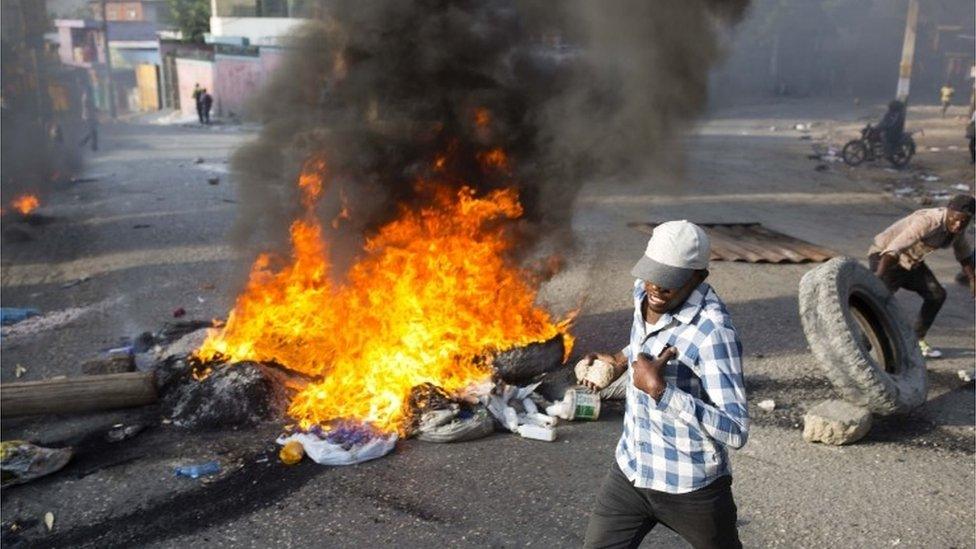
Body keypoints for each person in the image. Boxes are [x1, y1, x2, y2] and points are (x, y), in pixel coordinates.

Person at [582, 220, 749, 549]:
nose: (656, 288)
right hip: (632, 469)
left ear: (698, 277)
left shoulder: (712, 334)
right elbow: (643, 345)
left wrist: (662, 392)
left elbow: (736, 429)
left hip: (690, 487)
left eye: (669, 281)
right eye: (651, 273)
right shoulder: (645, 293)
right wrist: (618, 360)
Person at [869, 194, 975, 358]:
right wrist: (878, 276)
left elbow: (964, 253)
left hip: (911, 262)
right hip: (886, 258)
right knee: (880, 301)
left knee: (937, 295)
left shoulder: (958, 229)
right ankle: (863, 343)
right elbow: (895, 248)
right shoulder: (928, 221)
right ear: (948, 211)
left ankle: (916, 339)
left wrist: (972, 278)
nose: (958, 224)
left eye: (964, 221)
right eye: (955, 219)